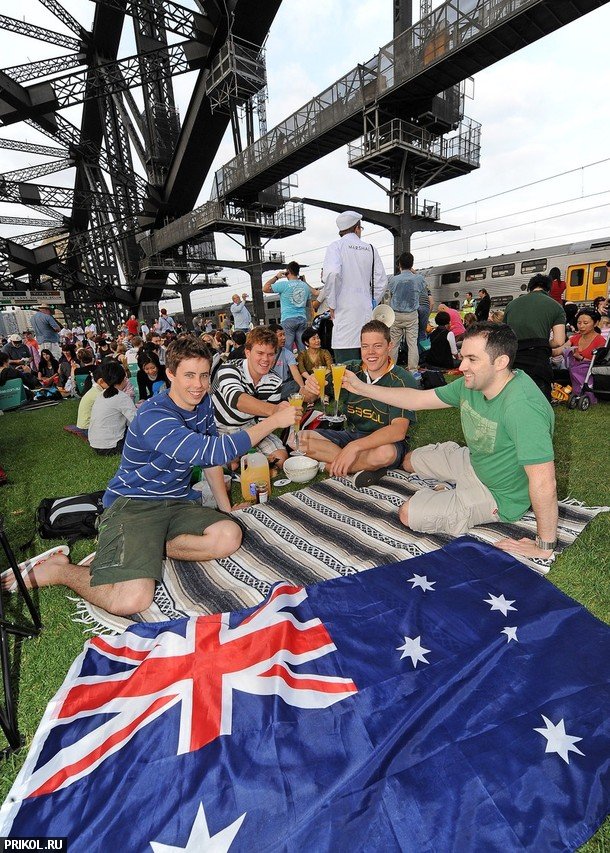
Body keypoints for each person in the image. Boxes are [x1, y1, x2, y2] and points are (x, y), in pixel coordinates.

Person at [2, 338, 299, 616]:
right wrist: (273, 420)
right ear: (170, 374)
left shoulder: (203, 404)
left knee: (228, 536)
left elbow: (208, 461)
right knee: (132, 600)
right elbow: (215, 452)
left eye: (205, 375)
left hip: (177, 500)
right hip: (133, 504)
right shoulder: (154, 416)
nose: (199, 385)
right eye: (189, 375)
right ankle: (58, 570)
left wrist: (224, 507)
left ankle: (141, 549)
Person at [341, 322, 558, 561]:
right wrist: (362, 388)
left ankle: (448, 491)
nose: (461, 366)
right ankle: (449, 486)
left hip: (498, 494)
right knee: (409, 460)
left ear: (501, 362)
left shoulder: (523, 407)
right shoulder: (474, 384)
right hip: (475, 461)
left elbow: (544, 481)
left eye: (472, 359)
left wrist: (544, 545)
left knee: (408, 513)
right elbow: (417, 400)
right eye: (462, 356)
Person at [300, 320, 417, 486]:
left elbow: (398, 431)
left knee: (385, 454)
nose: (371, 352)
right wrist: (308, 387)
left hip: (383, 442)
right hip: (351, 435)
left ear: (389, 346)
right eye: (365, 346)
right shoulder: (349, 370)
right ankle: (362, 467)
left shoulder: (403, 380)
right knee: (299, 439)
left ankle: (329, 466)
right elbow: (307, 396)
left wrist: (354, 447)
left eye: (377, 346)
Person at [212, 327, 315, 472]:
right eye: (260, 353)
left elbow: (263, 423)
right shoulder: (229, 369)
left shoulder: (274, 381)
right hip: (219, 427)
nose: (266, 359)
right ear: (247, 352)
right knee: (227, 459)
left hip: (248, 426)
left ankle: (247, 465)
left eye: (270, 354)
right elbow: (236, 399)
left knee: (280, 456)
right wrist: (276, 411)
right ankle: (243, 463)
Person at [322, 210, 387, 362]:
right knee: (369, 361)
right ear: (357, 227)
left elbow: (332, 274)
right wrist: (372, 301)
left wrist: (331, 303)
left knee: (346, 367)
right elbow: (381, 281)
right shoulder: (370, 249)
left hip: (343, 312)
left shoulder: (335, 247)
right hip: (365, 312)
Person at [503, 273, 566, 401]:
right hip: (538, 356)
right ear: (548, 289)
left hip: (513, 354)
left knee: (514, 394)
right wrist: (543, 344)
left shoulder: (511, 305)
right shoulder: (555, 306)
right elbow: (559, 341)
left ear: (530, 287)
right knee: (540, 397)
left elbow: (504, 333)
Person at [263, 262, 317, 352]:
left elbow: (265, 288)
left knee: (287, 349)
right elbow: (309, 303)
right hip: (302, 319)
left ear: (288, 271)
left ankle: (288, 366)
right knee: (302, 349)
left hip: (288, 319)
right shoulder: (305, 286)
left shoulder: (284, 285)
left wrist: (276, 277)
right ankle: (303, 365)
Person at [386, 252, 427, 369]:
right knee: (412, 344)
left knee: (393, 344)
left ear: (399, 264)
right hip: (411, 315)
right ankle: (413, 370)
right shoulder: (419, 279)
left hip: (396, 316)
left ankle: (390, 369)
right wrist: (412, 271)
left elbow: (392, 292)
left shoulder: (393, 280)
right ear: (412, 264)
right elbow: (422, 284)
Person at [88, 362, 137, 455]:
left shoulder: (101, 395)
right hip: (113, 446)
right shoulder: (122, 396)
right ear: (123, 379)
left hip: (95, 444)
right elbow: (135, 422)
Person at [563, 310, 606, 401]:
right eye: (579, 323)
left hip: (589, 375)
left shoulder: (600, 340)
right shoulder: (575, 337)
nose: (581, 326)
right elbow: (563, 347)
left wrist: (581, 358)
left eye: (585, 323)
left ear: (595, 323)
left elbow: (599, 362)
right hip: (574, 372)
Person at [271, 325, 305, 399]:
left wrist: (303, 388)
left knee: (295, 384)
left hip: (283, 386)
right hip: (268, 387)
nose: (284, 338)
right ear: (272, 338)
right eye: (280, 335)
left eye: (284, 334)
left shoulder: (287, 353)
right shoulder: (266, 354)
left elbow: (295, 371)